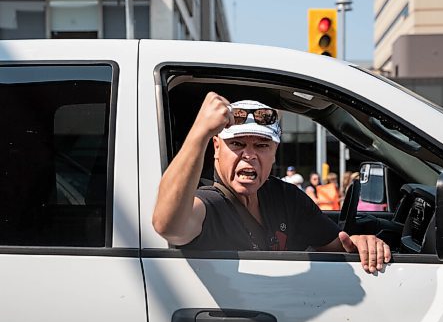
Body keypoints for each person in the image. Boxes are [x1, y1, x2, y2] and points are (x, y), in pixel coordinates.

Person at [153, 92, 391, 273]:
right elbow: (169, 225)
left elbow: (336, 245)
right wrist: (200, 133)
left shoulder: (286, 197)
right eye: (237, 144)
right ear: (216, 148)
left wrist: (362, 243)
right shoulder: (209, 202)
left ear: (275, 152)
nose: (249, 155)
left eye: (261, 145)